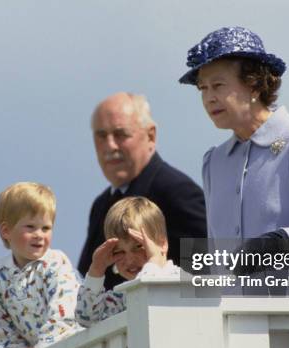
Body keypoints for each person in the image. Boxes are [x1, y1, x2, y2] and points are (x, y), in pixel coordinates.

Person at [178, 27, 289, 295]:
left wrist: (280, 244)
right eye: (203, 89)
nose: (208, 98)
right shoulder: (214, 163)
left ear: (253, 84)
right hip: (244, 326)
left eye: (218, 85)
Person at [78, 92, 206, 290]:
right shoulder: (101, 204)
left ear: (150, 136)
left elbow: (207, 274)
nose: (110, 145)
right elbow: (86, 277)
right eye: (101, 136)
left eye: (121, 134)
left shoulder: (176, 191)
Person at [0, 182, 82, 348]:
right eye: (30, 227)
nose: (39, 235)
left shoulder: (55, 263)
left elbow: (64, 312)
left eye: (46, 228)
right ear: (6, 231)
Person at [76, 196, 180, 327]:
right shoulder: (122, 297)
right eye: (119, 252)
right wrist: (97, 269)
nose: (130, 259)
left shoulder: (179, 282)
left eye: (138, 246)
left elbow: (145, 298)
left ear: (162, 244)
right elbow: (86, 318)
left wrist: (154, 261)